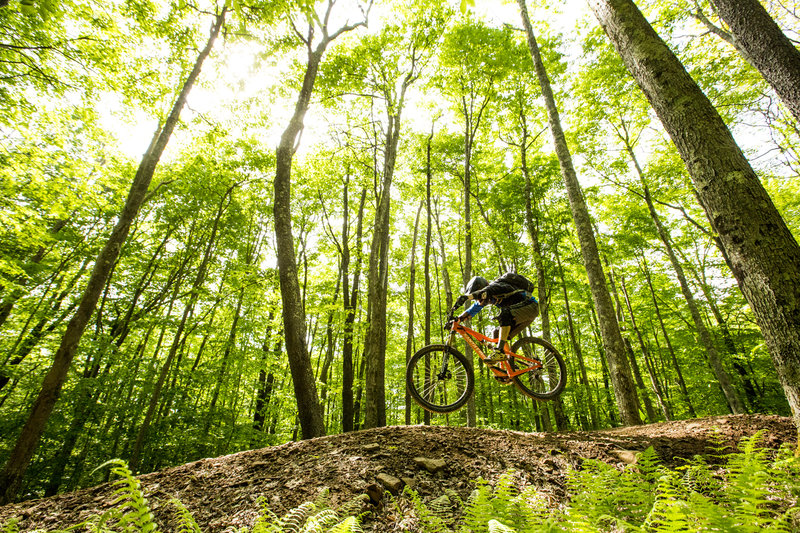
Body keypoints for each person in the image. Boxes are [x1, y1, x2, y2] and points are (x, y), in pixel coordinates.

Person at [452, 273, 539, 364]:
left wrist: (466, 297)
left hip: (531, 307)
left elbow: (484, 292)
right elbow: (473, 309)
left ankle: (499, 351)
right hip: (520, 314)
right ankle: (510, 367)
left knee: (505, 314)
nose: (478, 301)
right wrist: (458, 319)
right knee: (497, 333)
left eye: (477, 297)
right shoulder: (489, 298)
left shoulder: (497, 287)